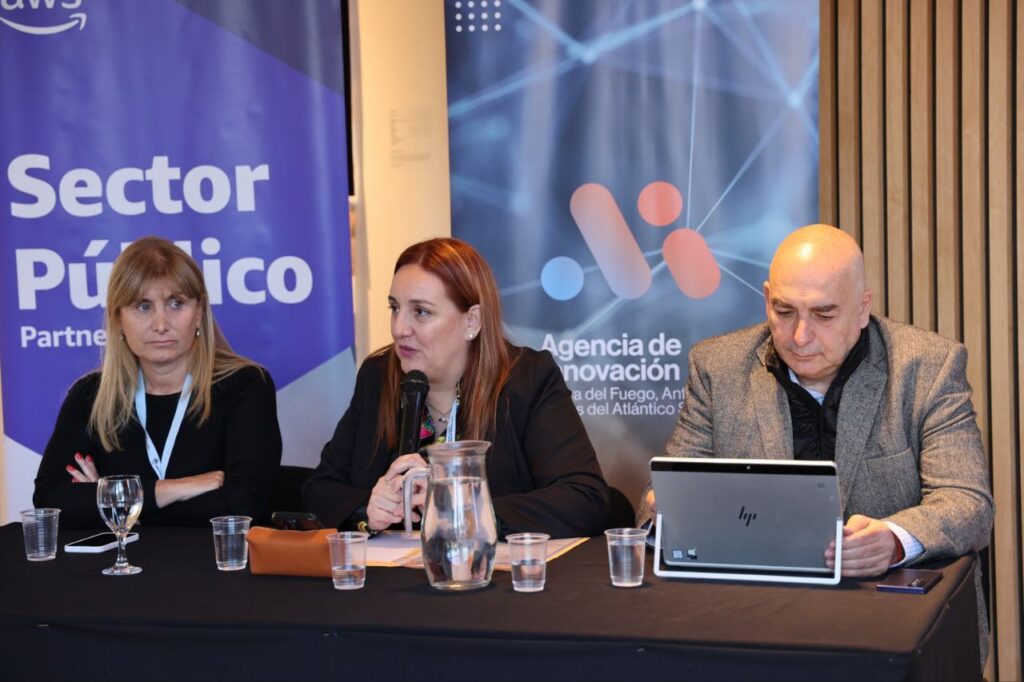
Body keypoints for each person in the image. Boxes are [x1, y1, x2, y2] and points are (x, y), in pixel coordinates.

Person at [640, 224, 994, 659]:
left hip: (889, 622)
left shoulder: (926, 368)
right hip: (750, 621)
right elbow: (663, 493)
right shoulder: (718, 367)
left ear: (862, 309)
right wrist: (666, 509)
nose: (800, 336)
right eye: (784, 311)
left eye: (824, 315)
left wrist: (895, 540)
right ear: (766, 298)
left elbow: (968, 502)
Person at [303, 237, 609, 538]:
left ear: (472, 321)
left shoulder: (527, 379)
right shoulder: (378, 376)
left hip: (492, 568)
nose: (399, 328)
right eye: (395, 308)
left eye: (421, 312)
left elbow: (584, 499)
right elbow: (318, 491)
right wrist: (367, 509)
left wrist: (464, 511)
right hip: (389, 570)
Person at [34, 237, 282, 528]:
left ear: (199, 313)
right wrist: (173, 489)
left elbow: (245, 504)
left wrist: (116, 505)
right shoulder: (91, 396)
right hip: (119, 558)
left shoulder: (245, 386)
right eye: (143, 306)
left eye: (176, 304)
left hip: (212, 557)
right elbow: (50, 502)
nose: (161, 324)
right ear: (117, 318)